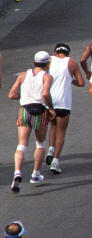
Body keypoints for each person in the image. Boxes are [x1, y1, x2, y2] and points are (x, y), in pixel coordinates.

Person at [8, 52, 54, 190]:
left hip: (24, 110)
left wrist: (23, 98)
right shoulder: (47, 77)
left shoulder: (23, 75)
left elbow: (12, 94)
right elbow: (45, 94)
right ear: (47, 63)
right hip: (40, 110)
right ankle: (35, 174)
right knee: (40, 143)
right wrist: (51, 108)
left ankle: (17, 173)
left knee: (21, 145)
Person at [43, 44, 83, 176]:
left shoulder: (49, 59)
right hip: (64, 102)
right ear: (67, 53)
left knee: (52, 126)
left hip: (50, 101)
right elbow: (81, 82)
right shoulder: (72, 63)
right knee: (61, 132)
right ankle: (56, 161)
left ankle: (50, 149)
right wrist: (71, 81)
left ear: (56, 52)